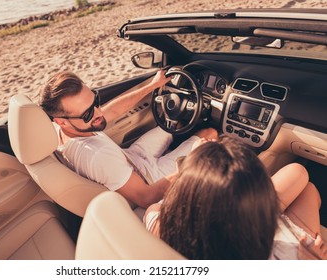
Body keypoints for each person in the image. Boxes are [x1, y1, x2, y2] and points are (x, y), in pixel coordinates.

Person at [39, 70, 218, 208]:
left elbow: (113, 111)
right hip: (149, 178)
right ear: (62, 121)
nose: (98, 113)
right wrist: (193, 159)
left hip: (131, 157)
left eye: (95, 102)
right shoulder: (98, 156)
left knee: (175, 124)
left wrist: (152, 86)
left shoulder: (56, 131)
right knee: (210, 134)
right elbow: (146, 198)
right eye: (87, 114)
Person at [144, 136, 327, 260]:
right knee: (309, 189)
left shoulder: (161, 228)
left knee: (298, 173)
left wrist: (197, 169)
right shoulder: (295, 256)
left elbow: (153, 209)